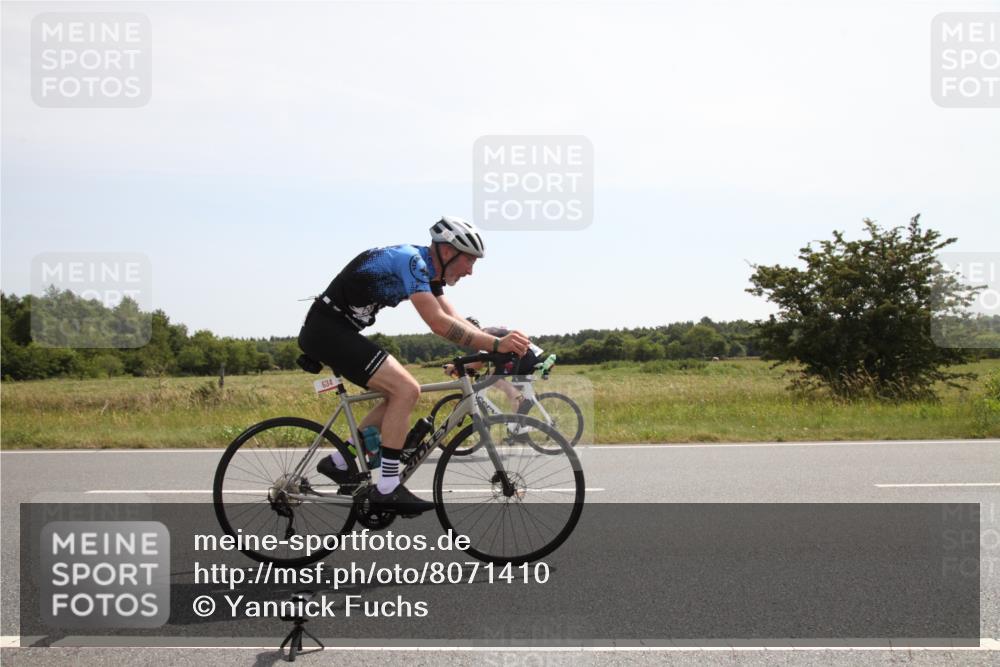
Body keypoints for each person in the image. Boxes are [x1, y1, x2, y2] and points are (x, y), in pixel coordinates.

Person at [298, 216, 531, 515]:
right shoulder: (412, 262)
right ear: (448, 252)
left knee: (403, 391)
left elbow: (453, 318)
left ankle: (340, 462)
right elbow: (437, 323)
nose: (470, 271)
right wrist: (497, 345)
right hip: (327, 330)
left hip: (336, 330)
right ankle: (387, 488)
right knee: (406, 390)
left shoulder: (429, 271)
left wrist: (492, 344)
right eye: (469, 261)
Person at [443, 317, 543, 411]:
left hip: (525, 354)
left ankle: (519, 399)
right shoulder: (488, 331)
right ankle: (518, 424)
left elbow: (477, 365)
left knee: (494, 379)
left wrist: (455, 367)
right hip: (529, 354)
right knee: (500, 380)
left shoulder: (483, 336)